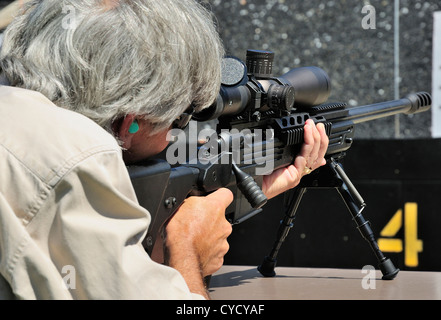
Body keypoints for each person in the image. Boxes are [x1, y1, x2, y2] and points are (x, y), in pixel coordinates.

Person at [0, 0, 328, 300]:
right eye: (181, 119)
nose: (178, 136)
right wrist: (187, 251)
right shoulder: (79, 156)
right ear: (127, 124)